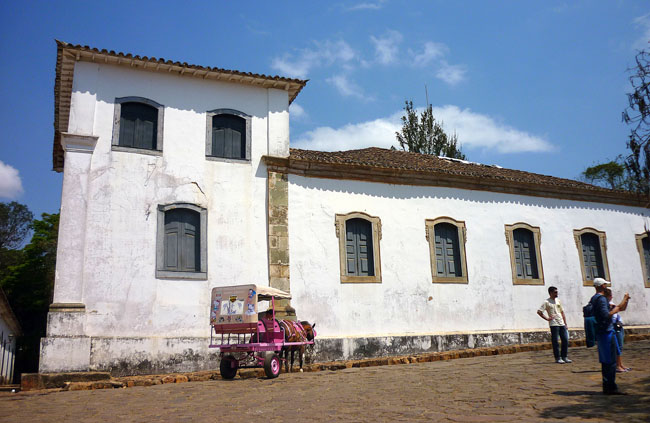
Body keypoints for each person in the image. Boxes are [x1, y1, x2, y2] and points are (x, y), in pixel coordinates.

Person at [589, 278, 630, 395]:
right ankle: (610, 387)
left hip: (602, 332)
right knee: (610, 361)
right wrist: (619, 306)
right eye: (605, 285)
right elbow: (606, 315)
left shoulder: (594, 298)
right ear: (602, 286)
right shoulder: (601, 299)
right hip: (606, 332)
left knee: (607, 360)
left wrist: (623, 302)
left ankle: (608, 386)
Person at [537, 286, 571, 364]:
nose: (556, 293)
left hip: (561, 323)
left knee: (565, 340)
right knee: (555, 341)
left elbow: (562, 312)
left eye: (557, 292)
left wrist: (565, 323)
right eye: (555, 292)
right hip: (554, 324)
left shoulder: (558, 301)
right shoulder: (546, 302)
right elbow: (539, 312)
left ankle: (564, 356)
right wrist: (547, 318)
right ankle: (557, 357)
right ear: (551, 293)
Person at [604, 288, 630, 373]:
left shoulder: (610, 303)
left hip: (618, 325)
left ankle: (620, 364)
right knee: (617, 347)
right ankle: (617, 365)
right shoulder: (607, 305)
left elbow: (622, 308)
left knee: (620, 347)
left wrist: (626, 301)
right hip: (614, 326)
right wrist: (624, 299)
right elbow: (619, 308)